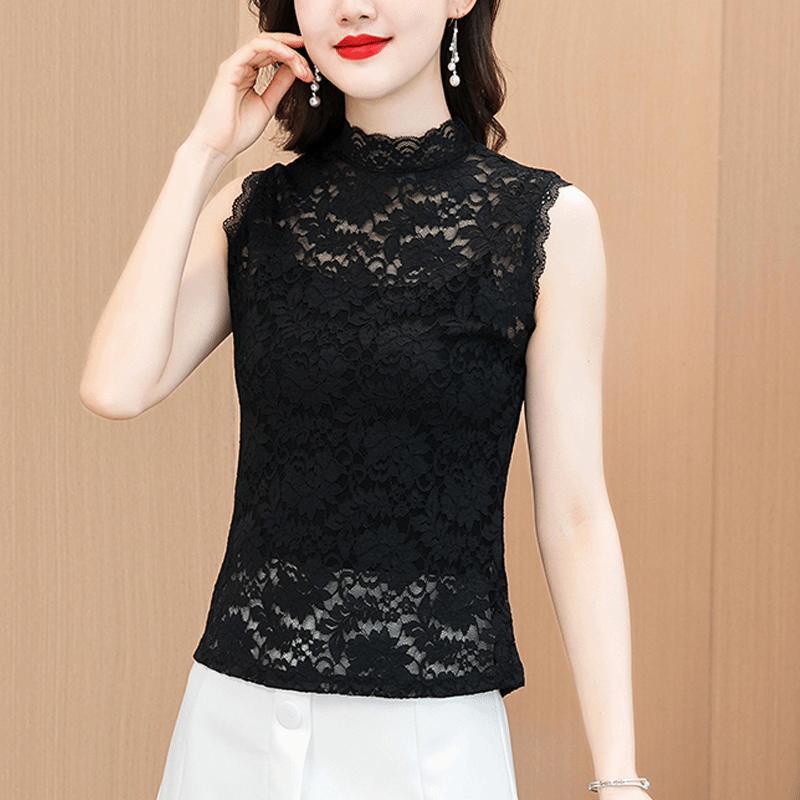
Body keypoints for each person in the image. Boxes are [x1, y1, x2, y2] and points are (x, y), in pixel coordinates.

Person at [79, 1, 654, 799]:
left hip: (429, 737)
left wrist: (619, 778)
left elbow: (576, 515)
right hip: (236, 722)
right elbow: (115, 386)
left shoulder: (542, 222)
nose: (353, 5)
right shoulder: (256, 209)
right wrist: (201, 153)